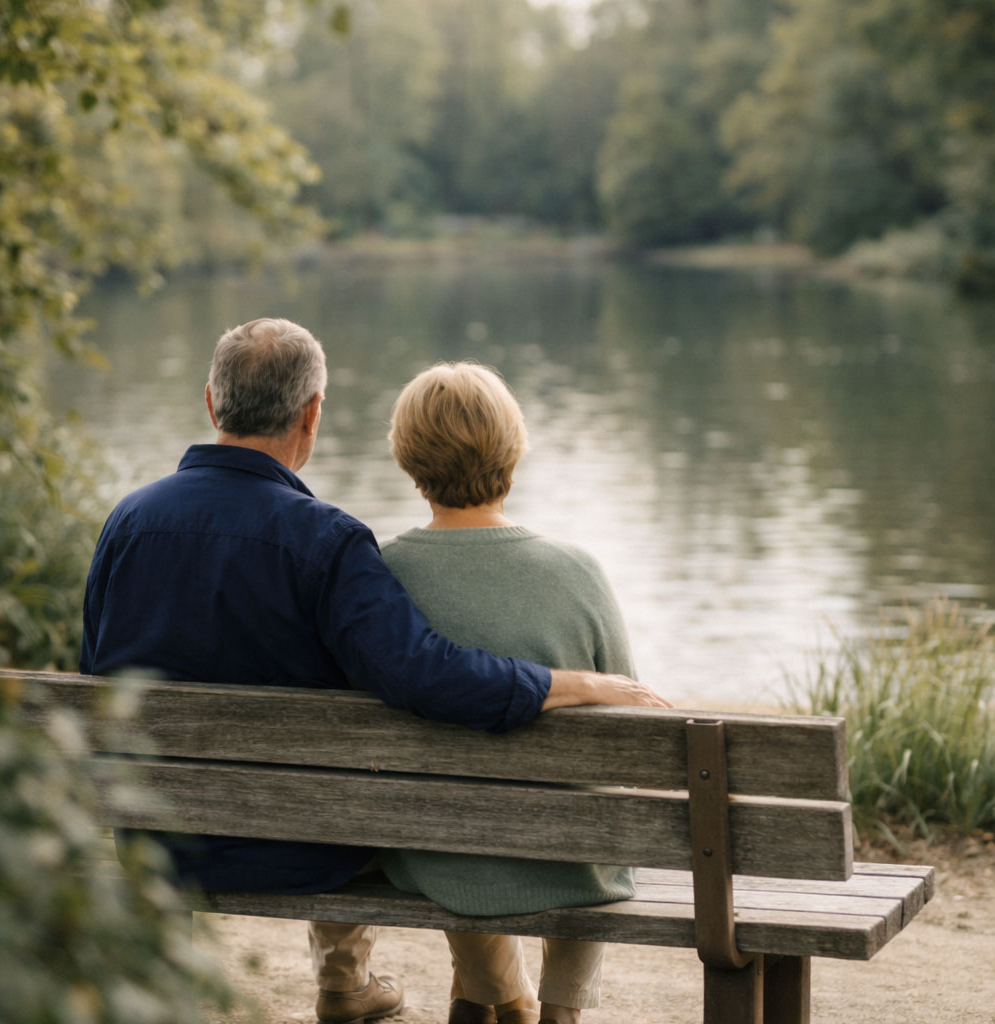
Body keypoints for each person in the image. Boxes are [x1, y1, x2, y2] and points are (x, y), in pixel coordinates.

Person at [80, 318, 671, 1024]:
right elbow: (422, 676)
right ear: (312, 413)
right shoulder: (326, 544)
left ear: (211, 403)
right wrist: (561, 681)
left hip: (153, 838)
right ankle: (436, 989)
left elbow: (95, 668)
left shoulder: (127, 523)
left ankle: (361, 984)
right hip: (299, 851)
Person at [378, 362, 659, 1024]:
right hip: (576, 859)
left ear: (407, 459)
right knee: (588, 813)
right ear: (514, 448)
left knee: (453, 817)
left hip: (439, 852)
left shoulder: (381, 574)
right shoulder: (576, 572)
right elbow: (625, 714)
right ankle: (560, 1006)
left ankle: (486, 992)